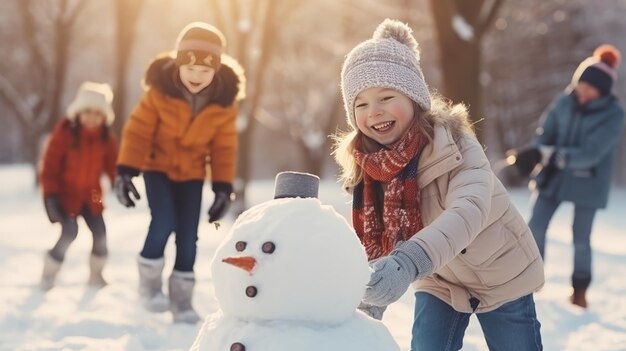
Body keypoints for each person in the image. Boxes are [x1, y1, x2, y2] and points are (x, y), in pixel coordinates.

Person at [333, 19, 544, 350]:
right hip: (439, 278)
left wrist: (408, 261)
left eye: (386, 97)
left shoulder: (456, 144)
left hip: (501, 272)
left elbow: (468, 210)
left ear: (415, 98)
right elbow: (375, 242)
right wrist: (369, 297)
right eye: (360, 103)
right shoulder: (370, 167)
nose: (373, 111)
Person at [115, 21, 245, 324]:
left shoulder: (224, 103)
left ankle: (182, 300)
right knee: (163, 221)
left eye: (205, 70)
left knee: (188, 235)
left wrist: (223, 188)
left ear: (216, 69)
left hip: (192, 173)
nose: (196, 77)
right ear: (177, 64)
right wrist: (126, 172)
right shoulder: (158, 93)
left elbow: (224, 148)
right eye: (190, 68)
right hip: (156, 167)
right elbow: (137, 132)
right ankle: (149, 286)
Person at [527, 44, 624, 309]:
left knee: (580, 238)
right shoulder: (564, 101)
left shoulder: (614, 114)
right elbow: (545, 132)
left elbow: (592, 152)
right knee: (535, 225)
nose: (583, 90)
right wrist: (536, 151)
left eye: (590, 87)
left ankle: (579, 290)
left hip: (588, 181)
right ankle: (530, 281)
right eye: (581, 84)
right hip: (554, 177)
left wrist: (555, 154)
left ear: (602, 91)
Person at [39, 81, 118, 291]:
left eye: (97, 113)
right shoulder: (65, 134)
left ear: (104, 116)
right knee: (69, 232)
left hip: (92, 196)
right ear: (78, 113)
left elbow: (113, 166)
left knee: (100, 233)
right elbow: (49, 167)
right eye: (87, 112)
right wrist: (50, 197)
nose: (92, 117)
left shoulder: (106, 139)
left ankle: (96, 274)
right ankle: (49, 272)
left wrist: (119, 182)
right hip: (65, 196)